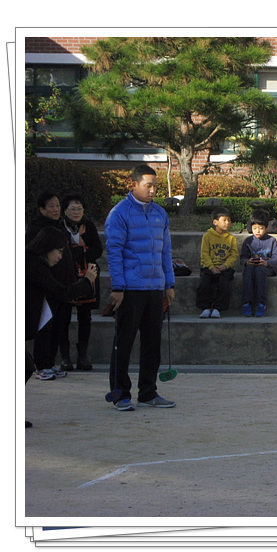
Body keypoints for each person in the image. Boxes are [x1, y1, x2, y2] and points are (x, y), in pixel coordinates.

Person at [104, 164, 176, 411]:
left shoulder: (160, 214)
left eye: (155, 185)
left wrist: (169, 283)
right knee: (123, 342)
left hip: (155, 288)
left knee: (152, 343)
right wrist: (118, 286)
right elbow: (114, 251)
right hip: (130, 289)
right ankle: (120, 392)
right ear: (133, 185)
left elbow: (165, 250)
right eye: (148, 185)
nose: (153, 190)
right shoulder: (119, 214)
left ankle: (148, 392)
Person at [26, 227, 98, 426]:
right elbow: (60, 292)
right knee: (24, 367)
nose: (60, 256)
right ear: (47, 248)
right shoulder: (33, 265)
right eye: (58, 251)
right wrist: (87, 282)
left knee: (24, 367)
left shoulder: (32, 262)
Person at [26, 191, 77, 380]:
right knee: (44, 325)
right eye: (51, 206)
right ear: (42, 209)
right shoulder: (36, 228)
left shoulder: (61, 226)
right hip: (46, 286)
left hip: (62, 285)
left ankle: (51, 362)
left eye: (57, 206)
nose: (56, 210)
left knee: (59, 326)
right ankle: (41, 364)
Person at [59, 194, 103, 370]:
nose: (76, 212)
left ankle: (82, 356)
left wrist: (84, 254)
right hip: (66, 275)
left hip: (87, 274)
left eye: (79, 209)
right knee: (63, 316)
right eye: (72, 209)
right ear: (65, 211)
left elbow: (97, 249)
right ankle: (64, 356)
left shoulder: (88, 226)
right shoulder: (59, 226)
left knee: (85, 317)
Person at [196, 207, 239, 318]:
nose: (227, 223)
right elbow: (204, 254)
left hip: (225, 268)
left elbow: (233, 255)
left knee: (224, 283)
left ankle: (217, 308)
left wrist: (225, 266)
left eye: (229, 220)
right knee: (205, 282)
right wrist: (211, 267)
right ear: (215, 222)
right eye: (224, 220)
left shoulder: (231, 239)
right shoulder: (207, 236)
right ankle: (205, 308)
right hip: (209, 267)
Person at [240, 209, 277, 317]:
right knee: (248, 271)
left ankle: (261, 303)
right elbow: (242, 257)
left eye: (261, 228)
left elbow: (276, 258)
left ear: (266, 228)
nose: (258, 231)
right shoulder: (248, 241)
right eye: (254, 228)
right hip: (252, 266)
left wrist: (268, 263)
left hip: (267, 267)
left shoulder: (271, 241)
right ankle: (246, 303)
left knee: (260, 270)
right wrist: (247, 262)